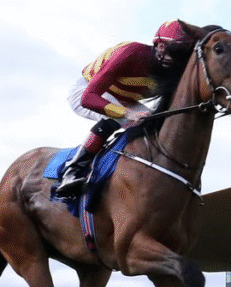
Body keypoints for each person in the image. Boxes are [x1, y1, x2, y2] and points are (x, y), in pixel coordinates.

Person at [56, 19, 199, 197]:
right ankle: (73, 171)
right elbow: (88, 98)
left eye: (183, 54)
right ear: (159, 45)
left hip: (125, 99)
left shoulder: (174, 68)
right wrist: (126, 113)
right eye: (174, 52)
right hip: (87, 91)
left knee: (157, 125)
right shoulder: (131, 53)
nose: (176, 59)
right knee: (117, 117)